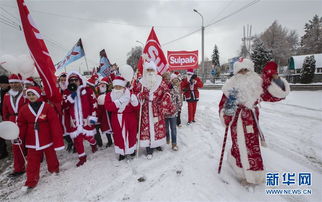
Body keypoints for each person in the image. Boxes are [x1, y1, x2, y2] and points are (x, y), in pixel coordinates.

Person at [218, 59, 290, 188]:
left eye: (246, 69)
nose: (244, 73)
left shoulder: (258, 83)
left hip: (251, 119)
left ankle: (254, 175)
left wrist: (275, 78)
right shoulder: (230, 85)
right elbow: (223, 104)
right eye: (240, 70)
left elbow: (277, 95)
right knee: (237, 145)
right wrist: (225, 113)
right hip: (236, 120)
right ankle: (240, 172)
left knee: (252, 147)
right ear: (236, 72)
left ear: (251, 70)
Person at [17, 86, 64, 190]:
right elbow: (21, 124)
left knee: (51, 156)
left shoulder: (47, 107)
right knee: (32, 161)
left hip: (47, 137)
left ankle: (54, 170)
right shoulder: (24, 109)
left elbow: (54, 123)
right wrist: (18, 136)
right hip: (32, 139)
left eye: (33, 94)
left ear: (38, 95)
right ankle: (31, 181)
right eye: (29, 95)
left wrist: (57, 139)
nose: (31, 97)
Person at [135, 61, 174, 159]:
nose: (150, 72)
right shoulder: (141, 82)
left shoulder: (160, 81)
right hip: (146, 110)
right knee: (147, 129)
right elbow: (135, 94)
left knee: (158, 127)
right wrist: (140, 95)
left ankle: (157, 144)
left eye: (152, 69)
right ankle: (149, 149)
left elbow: (167, 92)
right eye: (148, 70)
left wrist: (164, 101)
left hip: (157, 108)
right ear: (145, 71)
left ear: (155, 70)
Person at [62, 71, 98, 167]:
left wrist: (93, 116)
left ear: (80, 80)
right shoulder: (66, 92)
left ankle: (93, 144)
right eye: (71, 80)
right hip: (74, 121)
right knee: (77, 140)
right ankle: (82, 157)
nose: (74, 81)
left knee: (88, 136)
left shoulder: (87, 90)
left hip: (86, 118)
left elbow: (93, 103)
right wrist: (71, 96)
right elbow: (64, 105)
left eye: (75, 80)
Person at [105, 76, 139, 160]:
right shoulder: (109, 95)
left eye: (119, 86)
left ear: (123, 86)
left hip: (129, 118)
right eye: (116, 86)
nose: (117, 88)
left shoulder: (130, 94)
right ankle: (121, 152)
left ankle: (131, 150)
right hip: (116, 118)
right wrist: (120, 102)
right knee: (118, 136)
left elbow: (137, 108)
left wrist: (135, 101)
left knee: (131, 135)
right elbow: (108, 107)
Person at [2, 74, 27, 177]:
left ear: (20, 82)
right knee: (16, 146)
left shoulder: (25, 93)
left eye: (16, 82)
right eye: (11, 83)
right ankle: (19, 168)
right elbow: (5, 111)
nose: (13, 84)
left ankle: (35, 161)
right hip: (13, 121)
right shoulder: (7, 95)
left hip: (25, 121)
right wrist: (7, 123)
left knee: (29, 142)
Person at [165, 73, 183, 151]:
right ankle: (167, 139)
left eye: (169, 79)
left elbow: (178, 98)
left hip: (173, 112)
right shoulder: (162, 88)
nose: (168, 81)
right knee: (166, 129)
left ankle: (174, 144)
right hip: (165, 112)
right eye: (166, 79)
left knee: (173, 128)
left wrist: (179, 107)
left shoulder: (175, 88)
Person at [58, 73, 73, 152]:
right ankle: (70, 142)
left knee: (72, 127)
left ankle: (76, 145)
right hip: (61, 112)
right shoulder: (57, 90)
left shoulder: (71, 89)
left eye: (65, 80)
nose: (63, 82)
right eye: (61, 80)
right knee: (62, 128)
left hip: (70, 111)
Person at [97, 77, 114, 148]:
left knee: (113, 128)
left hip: (110, 113)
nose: (102, 86)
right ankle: (109, 141)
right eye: (101, 84)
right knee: (106, 128)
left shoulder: (110, 93)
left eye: (104, 84)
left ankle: (116, 140)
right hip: (103, 114)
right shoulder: (97, 94)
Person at [0, 75, 10, 159]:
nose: (1, 85)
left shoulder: (11, 91)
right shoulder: (1, 92)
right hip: (2, 115)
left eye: (3, 83)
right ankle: (3, 152)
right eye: (0, 83)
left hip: (11, 115)